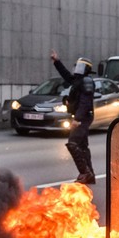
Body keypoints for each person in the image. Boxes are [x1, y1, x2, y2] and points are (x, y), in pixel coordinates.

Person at [49, 49, 97, 185]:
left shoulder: (87, 81)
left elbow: (85, 103)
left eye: (80, 66)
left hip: (83, 117)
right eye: (77, 65)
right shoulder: (78, 80)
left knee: (73, 143)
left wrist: (78, 119)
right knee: (82, 146)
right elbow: (66, 76)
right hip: (80, 116)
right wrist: (56, 61)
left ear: (86, 69)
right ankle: (90, 174)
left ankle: (85, 172)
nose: (77, 69)